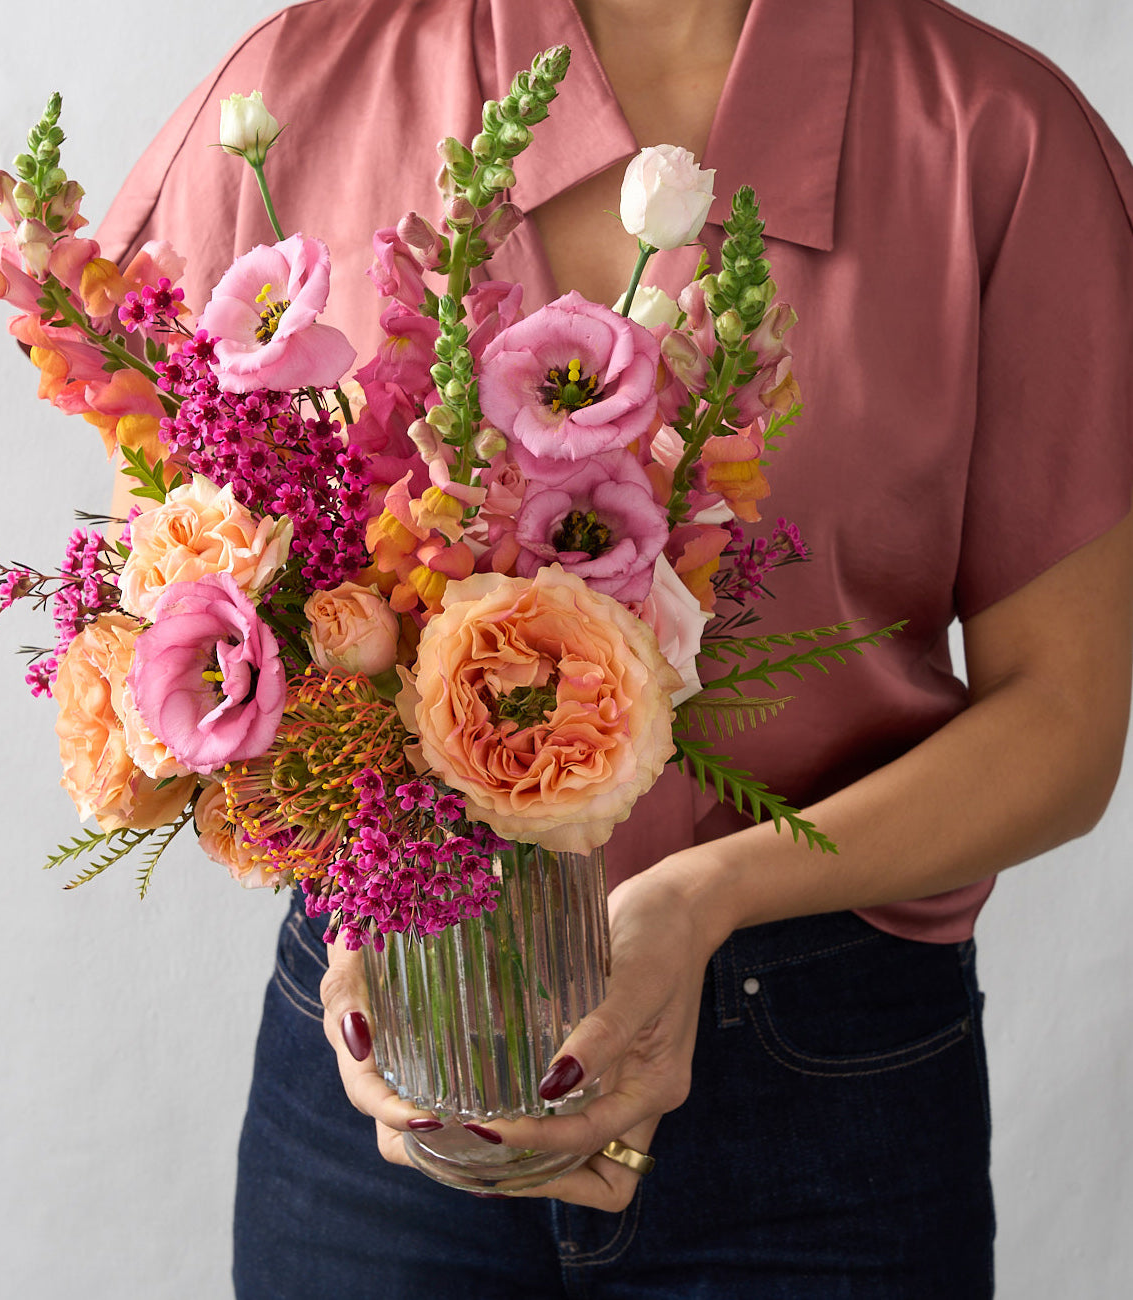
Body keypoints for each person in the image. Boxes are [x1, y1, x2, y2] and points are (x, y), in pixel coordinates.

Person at [98, 0, 1133, 1294]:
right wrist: (361, 895)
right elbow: (193, 628)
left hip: (823, 1110)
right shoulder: (299, 90)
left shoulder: (995, 140)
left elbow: (1069, 723)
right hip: (387, 1090)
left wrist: (708, 899)